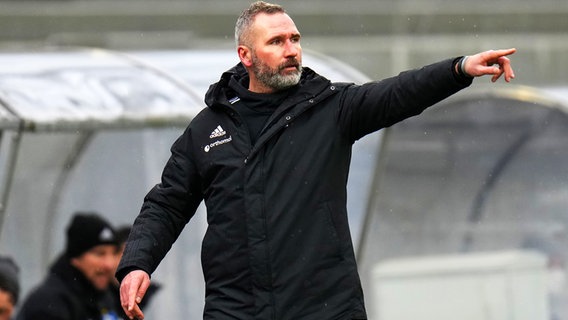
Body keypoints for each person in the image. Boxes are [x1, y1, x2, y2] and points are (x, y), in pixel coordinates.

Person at [116, 2, 516, 319]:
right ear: (246, 55)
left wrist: (458, 69)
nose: (292, 50)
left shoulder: (331, 108)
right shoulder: (207, 128)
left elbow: (397, 93)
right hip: (235, 310)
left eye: (295, 38)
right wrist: (138, 263)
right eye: (277, 42)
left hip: (323, 307)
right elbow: (167, 203)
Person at [17, 212, 122, 320]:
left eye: (114, 253)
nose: (109, 264)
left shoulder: (103, 297)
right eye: (100, 254)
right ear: (75, 258)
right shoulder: (50, 303)